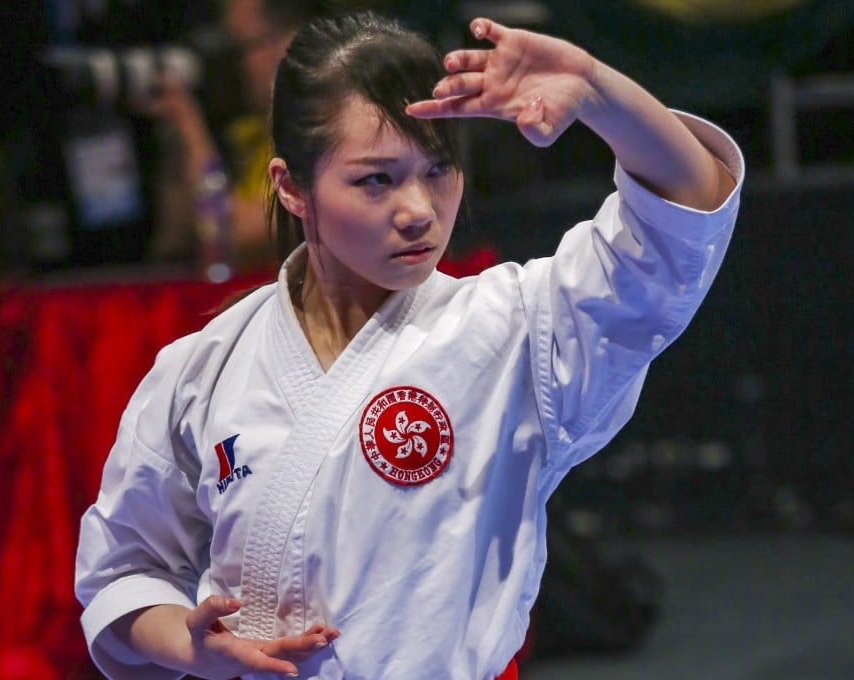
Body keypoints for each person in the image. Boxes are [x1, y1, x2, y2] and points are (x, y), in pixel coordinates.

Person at [75, 9, 743, 680]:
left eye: (438, 169)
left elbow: (685, 212)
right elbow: (123, 572)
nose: (419, 209)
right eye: (377, 179)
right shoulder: (204, 367)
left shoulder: (509, 329)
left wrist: (599, 91)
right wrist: (187, 643)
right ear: (292, 187)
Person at [144, 0, 325, 274]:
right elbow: (172, 245)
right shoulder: (249, 138)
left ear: (288, 44)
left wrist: (187, 122)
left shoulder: (323, 137)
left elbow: (232, 238)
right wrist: (174, 135)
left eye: (241, 49)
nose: (233, 65)